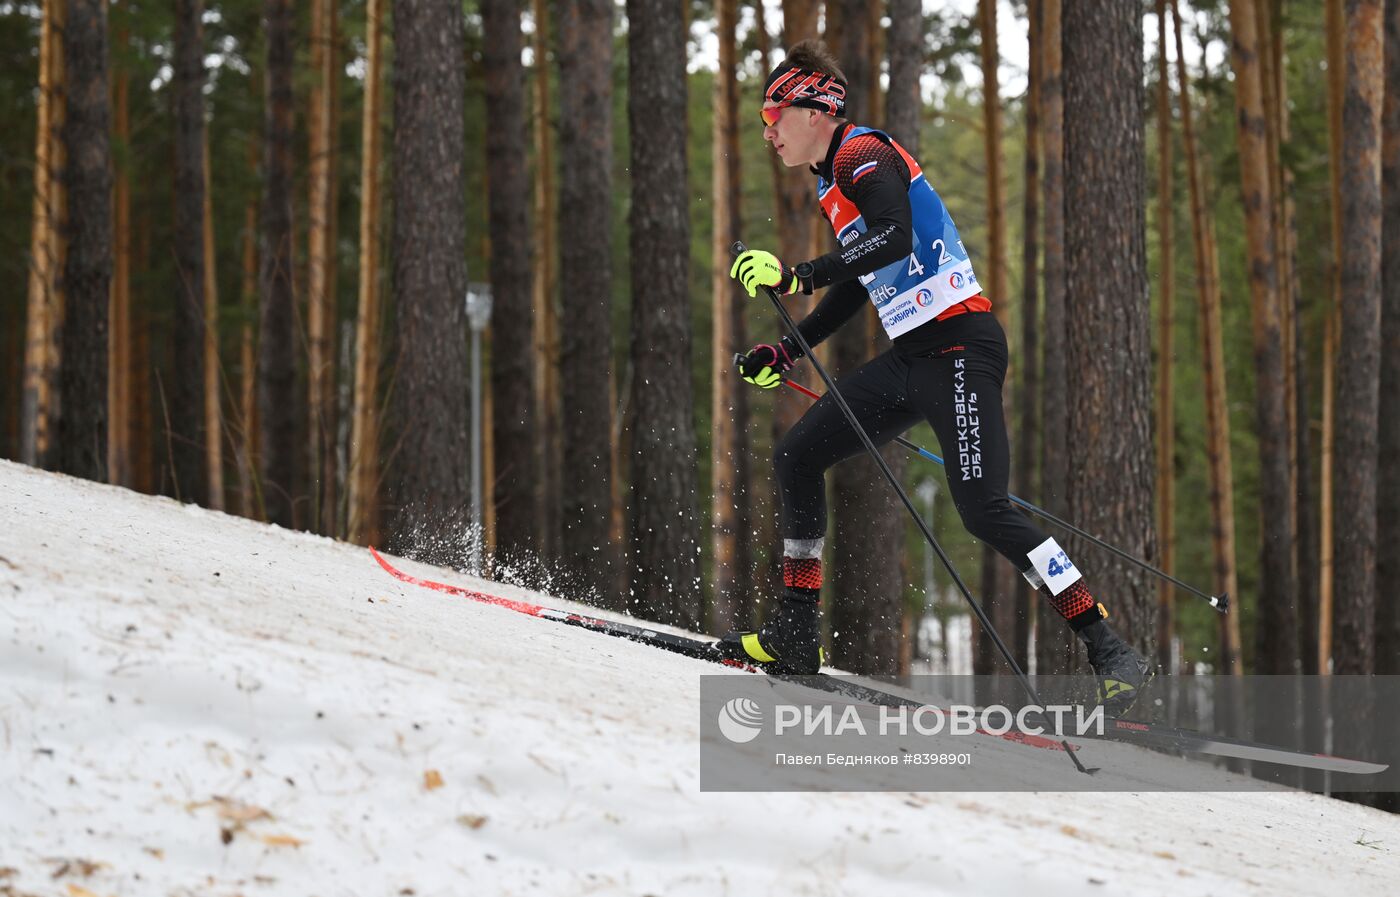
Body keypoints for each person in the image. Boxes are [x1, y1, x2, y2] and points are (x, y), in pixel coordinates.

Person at [714, 39, 1152, 716]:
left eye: (774, 112)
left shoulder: (862, 153)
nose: (767, 129)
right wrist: (788, 348)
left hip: (960, 349)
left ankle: (1109, 648)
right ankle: (797, 629)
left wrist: (796, 274)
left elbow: (891, 235)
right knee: (797, 456)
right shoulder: (831, 181)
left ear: (816, 110)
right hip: (911, 357)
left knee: (983, 507)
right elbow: (865, 274)